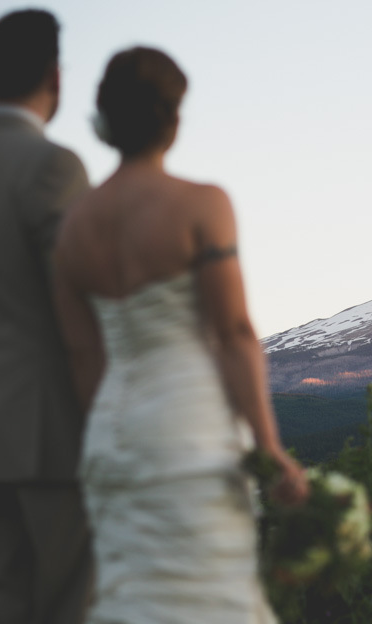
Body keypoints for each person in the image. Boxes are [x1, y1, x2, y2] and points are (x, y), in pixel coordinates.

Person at [52, 46, 309, 623]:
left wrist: (116, 434)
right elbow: (235, 331)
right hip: (188, 432)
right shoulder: (201, 205)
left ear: (105, 120)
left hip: (109, 439)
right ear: (173, 118)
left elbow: (82, 357)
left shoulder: (73, 227)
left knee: (131, 597)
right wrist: (269, 448)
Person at [0, 9, 93, 624]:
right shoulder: (53, 167)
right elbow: (76, 306)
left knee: (1, 607)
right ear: (55, 75)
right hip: (51, 435)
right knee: (69, 606)